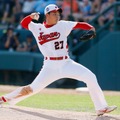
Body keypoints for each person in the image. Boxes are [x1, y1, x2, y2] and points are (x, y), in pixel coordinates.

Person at [0, 4, 117, 116]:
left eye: (58, 13)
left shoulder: (63, 25)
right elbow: (24, 23)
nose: (57, 15)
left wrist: (91, 29)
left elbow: (81, 24)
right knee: (31, 89)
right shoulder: (37, 27)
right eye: (54, 13)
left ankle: (101, 107)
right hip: (49, 66)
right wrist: (30, 17)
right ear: (47, 15)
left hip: (66, 63)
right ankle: (4, 98)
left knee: (90, 77)